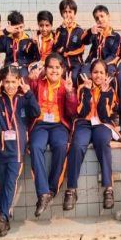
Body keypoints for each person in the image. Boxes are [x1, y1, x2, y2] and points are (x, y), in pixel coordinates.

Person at [0, 65, 41, 237]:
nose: (10, 85)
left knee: (10, 183)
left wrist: (29, 93)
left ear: (19, 81)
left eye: (13, 82)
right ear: (2, 82)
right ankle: (4, 223)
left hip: (17, 151)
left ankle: (2, 216)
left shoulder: (23, 99)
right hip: (2, 150)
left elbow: (36, 112)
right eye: (7, 82)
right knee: (2, 185)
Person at [26, 53, 78, 217]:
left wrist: (70, 93)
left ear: (62, 70)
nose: (54, 71)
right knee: (36, 146)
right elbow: (27, 97)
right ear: (45, 69)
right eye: (50, 67)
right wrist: (29, 80)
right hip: (40, 124)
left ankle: (51, 189)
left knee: (61, 145)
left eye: (57, 67)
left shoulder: (66, 85)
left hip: (58, 125)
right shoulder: (38, 82)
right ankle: (42, 193)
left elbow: (72, 112)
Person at [66, 60, 121, 211]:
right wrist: (87, 92)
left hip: (102, 124)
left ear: (106, 75)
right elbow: (82, 112)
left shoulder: (110, 91)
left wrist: (103, 94)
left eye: (102, 72)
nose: (98, 76)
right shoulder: (82, 88)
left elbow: (104, 116)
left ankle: (108, 189)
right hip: (84, 123)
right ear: (90, 73)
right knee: (77, 145)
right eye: (95, 72)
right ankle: (71, 190)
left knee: (103, 142)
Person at [0, 11, 40, 78]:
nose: (19, 31)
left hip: (23, 68)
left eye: (21, 27)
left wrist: (35, 44)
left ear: (24, 25)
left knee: (23, 76)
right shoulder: (7, 39)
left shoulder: (28, 40)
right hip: (8, 68)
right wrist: (5, 31)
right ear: (10, 27)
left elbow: (35, 58)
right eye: (16, 28)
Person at [54, 0, 87, 86]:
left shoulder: (80, 30)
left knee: (74, 77)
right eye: (65, 12)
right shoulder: (59, 30)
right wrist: (63, 30)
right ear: (61, 14)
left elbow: (82, 49)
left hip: (76, 62)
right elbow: (56, 46)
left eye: (70, 12)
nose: (68, 15)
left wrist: (69, 53)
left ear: (74, 13)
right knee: (61, 79)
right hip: (62, 62)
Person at [83, 5, 121, 77]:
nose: (100, 19)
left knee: (110, 75)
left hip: (108, 63)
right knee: (83, 75)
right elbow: (85, 41)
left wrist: (102, 64)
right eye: (97, 18)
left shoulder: (116, 36)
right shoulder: (94, 32)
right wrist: (90, 32)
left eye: (102, 16)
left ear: (108, 16)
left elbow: (113, 55)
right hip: (92, 62)